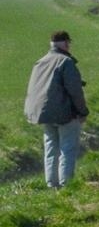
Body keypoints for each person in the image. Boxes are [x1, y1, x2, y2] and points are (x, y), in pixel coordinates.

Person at [25, 31, 90, 189]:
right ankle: (66, 185)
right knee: (67, 147)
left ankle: (51, 183)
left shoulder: (40, 62)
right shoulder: (66, 62)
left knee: (50, 147)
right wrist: (83, 111)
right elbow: (75, 91)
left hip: (44, 113)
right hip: (65, 113)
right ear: (66, 43)